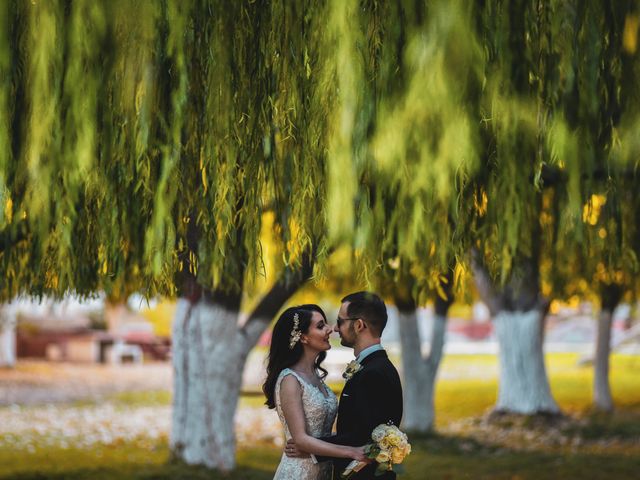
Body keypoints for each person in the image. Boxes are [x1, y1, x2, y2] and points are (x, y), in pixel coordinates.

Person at [285, 292, 403, 480]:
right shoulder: (375, 367)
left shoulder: (373, 373)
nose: (334, 328)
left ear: (358, 325)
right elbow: (359, 429)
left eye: (340, 321)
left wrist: (309, 447)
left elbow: (362, 438)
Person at [264, 305, 367, 480]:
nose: (329, 329)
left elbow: (320, 437)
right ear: (303, 337)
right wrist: (351, 451)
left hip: (323, 471)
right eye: (320, 326)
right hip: (298, 473)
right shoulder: (290, 379)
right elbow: (301, 439)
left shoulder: (316, 377)